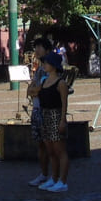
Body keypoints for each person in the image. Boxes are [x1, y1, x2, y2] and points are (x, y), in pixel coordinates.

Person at [32, 51, 70, 193]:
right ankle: (53, 178)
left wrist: (62, 121)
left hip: (55, 115)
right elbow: (33, 92)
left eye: (47, 63)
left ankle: (63, 180)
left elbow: (64, 104)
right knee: (50, 150)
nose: (44, 65)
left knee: (60, 150)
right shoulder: (44, 81)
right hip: (44, 115)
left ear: (53, 65)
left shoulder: (61, 83)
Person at [26, 37, 52, 187]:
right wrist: (34, 90)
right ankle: (43, 174)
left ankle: (54, 176)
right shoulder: (39, 69)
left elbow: (42, 89)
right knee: (41, 144)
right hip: (36, 109)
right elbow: (31, 90)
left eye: (39, 47)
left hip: (46, 110)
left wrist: (35, 90)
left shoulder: (50, 68)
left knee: (50, 145)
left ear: (47, 50)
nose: (36, 50)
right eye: (36, 47)